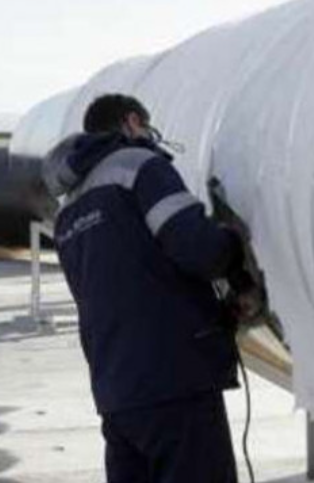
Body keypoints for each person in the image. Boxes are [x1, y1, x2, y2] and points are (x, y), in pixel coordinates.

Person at [43, 93, 247, 483]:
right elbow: (198, 250)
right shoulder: (140, 166)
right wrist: (235, 244)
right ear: (133, 121)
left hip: (115, 389)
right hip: (174, 378)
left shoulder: (69, 207)